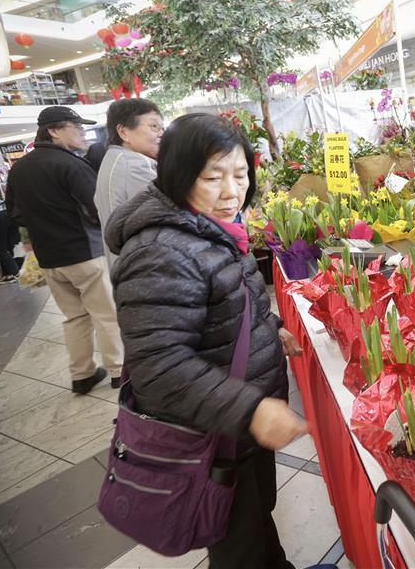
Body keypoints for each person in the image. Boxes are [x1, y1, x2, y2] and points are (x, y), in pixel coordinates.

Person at [105, 113, 306, 569]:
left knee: (254, 523)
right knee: (237, 546)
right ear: (178, 175)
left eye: (240, 175)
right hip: (211, 432)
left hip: (235, 428)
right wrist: (251, 409)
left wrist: (269, 327)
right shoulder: (161, 251)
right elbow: (160, 368)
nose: (231, 191)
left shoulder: (208, 231)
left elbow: (225, 304)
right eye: (212, 176)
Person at [5, 106, 123, 393]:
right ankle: (119, 370)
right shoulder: (72, 165)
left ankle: (81, 374)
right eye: (76, 127)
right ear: (54, 131)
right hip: (85, 252)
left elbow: (15, 213)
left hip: (49, 258)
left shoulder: (20, 167)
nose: (83, 133)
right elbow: (98, 209)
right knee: (106, 312)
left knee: (74, 317)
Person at [94, 99, 163, 268]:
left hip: (125, 267)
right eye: (154, 126)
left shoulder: (113, 159)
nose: (161, 133)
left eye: (162, 128)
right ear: (123, 132)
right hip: (146, 268)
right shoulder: (136, 166)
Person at [0, 191, 20, 283]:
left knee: (0, 249)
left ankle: (16, 273)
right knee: (9, 246)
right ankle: (8, 275)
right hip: (8, 215)